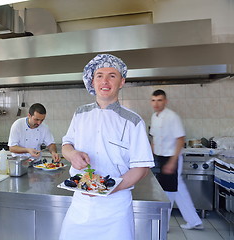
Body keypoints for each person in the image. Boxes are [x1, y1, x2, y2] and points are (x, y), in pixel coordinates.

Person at [59, 54, 154, 239]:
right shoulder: (80, 114)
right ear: (92, 81)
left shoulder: (133, 121)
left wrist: (107, 188)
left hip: (115, 208)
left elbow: (141, 168)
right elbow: (66, 145)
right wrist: (72, 154)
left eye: (112, 75)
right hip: (80, 203)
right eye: (99, 75)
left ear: (122, 82)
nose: (105, 81)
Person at [149, 89, 204, 230]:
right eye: (154, 100)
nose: (156, 103)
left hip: (171, 157)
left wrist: (173, 162)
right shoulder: (154, 117)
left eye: (159, 100)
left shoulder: (173, 117)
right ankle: (194, 221)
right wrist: (150, 157)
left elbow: (180, 139)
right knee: (178, 190)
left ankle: (164, 225)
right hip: (161, 158)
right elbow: (154, 139)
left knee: (168, 191)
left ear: (165, 101)